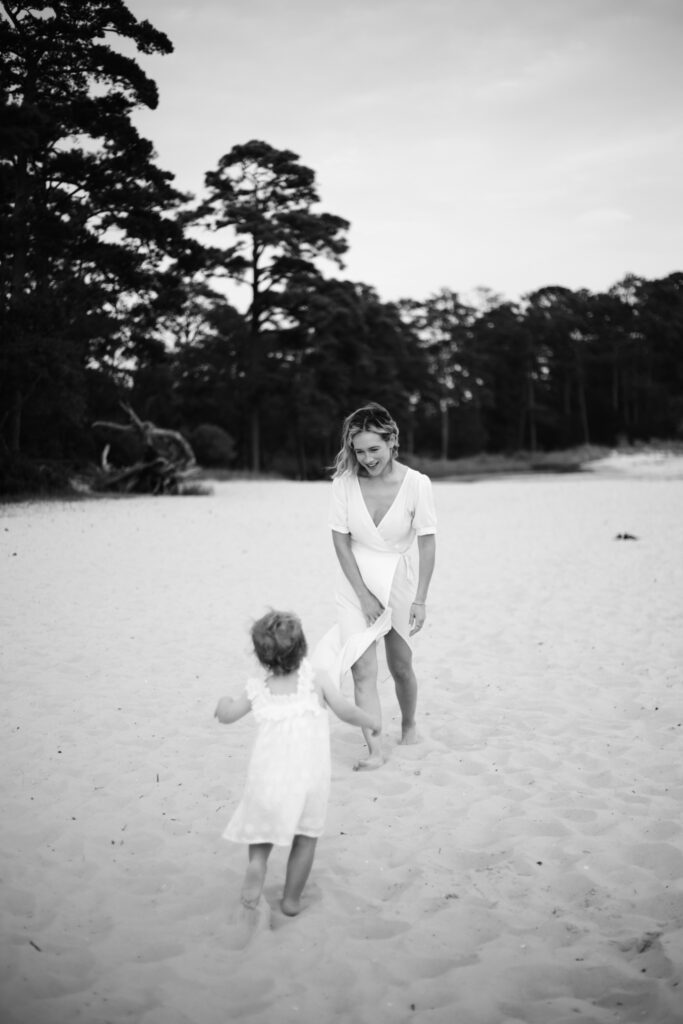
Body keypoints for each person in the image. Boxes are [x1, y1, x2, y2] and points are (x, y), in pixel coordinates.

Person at [214, 609, 380, 922]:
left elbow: (228, 714)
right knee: (305, 838)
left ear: (263, 658)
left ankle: (258, 864)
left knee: (261, 831)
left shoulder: (258, 689)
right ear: (302, 647)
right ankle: (290, 900)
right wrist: (370, 719)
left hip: (266, 777)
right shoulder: (317, 680)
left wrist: (223, 703)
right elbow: (345, 710)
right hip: (308, 778)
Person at [318, 402, 436, 771]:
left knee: (401, 666)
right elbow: (340, 542)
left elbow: (427, 542)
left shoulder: (417, 484)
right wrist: (364, 596)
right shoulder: (343, 484)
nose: (367, 458)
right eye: (359, 450)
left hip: (398, 581)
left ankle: (410, 725)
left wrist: (421, 600)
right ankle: (374, 751)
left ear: (392, 441)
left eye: (374, 449)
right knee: (362, 670)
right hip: (354, 583)